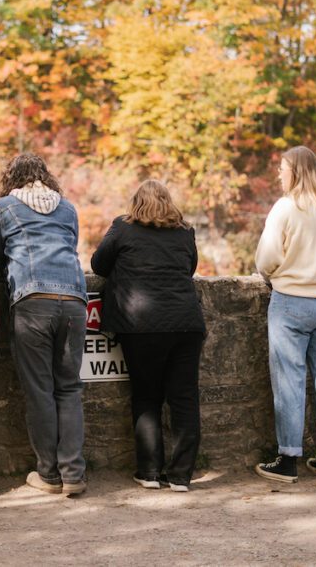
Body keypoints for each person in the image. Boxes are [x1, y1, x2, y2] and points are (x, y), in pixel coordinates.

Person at [91, 180, 206, 492]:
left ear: (135, 203)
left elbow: (98, 265)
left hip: (141, 324)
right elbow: (190, 268)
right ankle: (181, 475)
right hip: (186, 323)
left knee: (146, 396)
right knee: (184, 399)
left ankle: (150, 472)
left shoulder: (123, 228)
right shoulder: (184, 232)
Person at [0, 153, 88, 496]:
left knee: (40, 390)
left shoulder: (3, 208)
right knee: (70, 387)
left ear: (11, 177)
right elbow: (70, 246)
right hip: (75, 300)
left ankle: (48, 474)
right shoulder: (68, 208)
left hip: (33, 300)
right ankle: (74, 473)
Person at [254, 146, 316, 483]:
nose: (279, 174)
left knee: (289, 380)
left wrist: (277, 273)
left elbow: (266, 258)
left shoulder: (286, 208)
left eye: (282, 168)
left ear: (295, 171)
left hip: (294, 300)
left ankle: (288, 458)